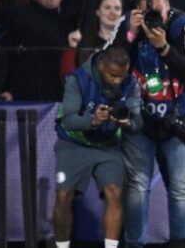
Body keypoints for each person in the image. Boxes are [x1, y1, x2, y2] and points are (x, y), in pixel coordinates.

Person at [106, 0, 185, 247]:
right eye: (148, 13)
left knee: (180, 189)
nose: (153, 18)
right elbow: (108, 65)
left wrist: (164, 47)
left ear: (168, 5)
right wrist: (131, 34)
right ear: (138, 11)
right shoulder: (127, 24)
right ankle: (135, 244)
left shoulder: (181, 25)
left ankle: (181, 244)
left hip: (175, 120)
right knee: (136, 187)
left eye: (158, 11)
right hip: (138, 122)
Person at [53, 46, 143, 248]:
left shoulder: (131, 84)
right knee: (63, 195)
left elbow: (138, 122)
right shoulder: (77, 79)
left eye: (122, 75)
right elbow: (68, 120)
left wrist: (128, 124)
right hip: (73, 143)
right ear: (101, 65)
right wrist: (92, 121)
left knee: (114, 192)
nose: (118, 80)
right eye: (113, 75)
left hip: (107, 146)